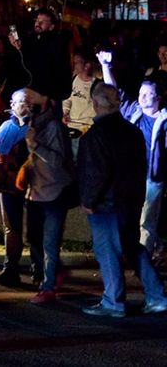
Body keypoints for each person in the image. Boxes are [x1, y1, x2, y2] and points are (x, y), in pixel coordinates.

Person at [77, 81, 167, 317]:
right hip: (131, 201)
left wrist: (88, 200)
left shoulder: (96, 135)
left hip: (106, 204)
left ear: (96, 104)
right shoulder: (133, 131)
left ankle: (114, 301)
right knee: (131, 246)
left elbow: (97, 172)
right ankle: (157, 295)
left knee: (108, 251)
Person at [101, 56, 165, 260]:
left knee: (147, 220)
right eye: (141, 93)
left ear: (158, 97)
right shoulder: (133, 112)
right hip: (131, 176)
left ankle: (144, 261)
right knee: (129, 216)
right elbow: (113, 91)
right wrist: (105, 66)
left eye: (148, 94)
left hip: (152, 178)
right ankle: (153, 248)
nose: (143, 97)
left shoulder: (164, 122)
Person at [22, 87, 76, 304]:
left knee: (49, 242)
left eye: (33, 93)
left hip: (54, 191)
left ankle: (48, 286)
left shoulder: (53, 126)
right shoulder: (35, 122)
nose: (28, 97)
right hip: (36, 190)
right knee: (33, 237)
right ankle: (54, 274)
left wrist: (35, 146)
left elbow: (57, 160)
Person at [0, 89, 31, 285]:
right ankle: (10, 268)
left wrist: (14, 159)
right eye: (13, 101)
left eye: (18, 102)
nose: (13, 105)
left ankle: (39, 270)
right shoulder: (6, 125)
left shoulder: (34, 128)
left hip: (30, 183)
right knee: (10, 227)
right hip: (7, 183)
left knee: (33, 228)